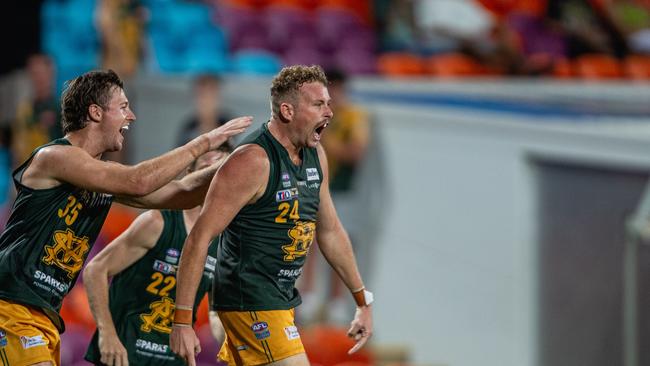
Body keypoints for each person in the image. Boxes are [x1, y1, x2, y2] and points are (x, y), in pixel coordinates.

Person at [0, 69, 252, 366]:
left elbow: (183, 192)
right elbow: (138, 181)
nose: (131, 116)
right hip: (11, 305)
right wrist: (203, 143)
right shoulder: (55, 156)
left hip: (42, 314)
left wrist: (245, 161)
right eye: (122, 107)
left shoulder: (99, 178)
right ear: (95, 112)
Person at [169, 65, 373, 366]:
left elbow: (329, 231)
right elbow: (199, 238)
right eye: (318, 104)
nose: (329, 112)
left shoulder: (316, 156)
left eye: (328, 103)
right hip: (248, 300)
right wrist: (183, 321)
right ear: (288, 111)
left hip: (280, 301)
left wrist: (361, 300)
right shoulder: (252, 160)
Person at [83, 149, 230, 366]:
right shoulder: (157, 222)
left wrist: (230, 340)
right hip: (126, 354)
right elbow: (95, 270)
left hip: (173, 356)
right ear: (191, 174)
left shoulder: (222, 242)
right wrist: (107, 334)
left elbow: (216, 312)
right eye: (209, 171)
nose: (215, 180)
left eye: (222, 173)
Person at [299, 69, 371, 325]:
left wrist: (326, 142)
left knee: (341, 244)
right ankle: (307, 296)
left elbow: (356, 153)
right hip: (315, 188)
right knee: (309, 242)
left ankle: (337, 301)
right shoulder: (314, 116)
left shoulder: (354, 117)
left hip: (344, 192)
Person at [176, 73, 233, 148]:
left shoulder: (229, 124)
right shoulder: (188, 129)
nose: (207, 100)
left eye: (211, 94)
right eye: (202, 95)